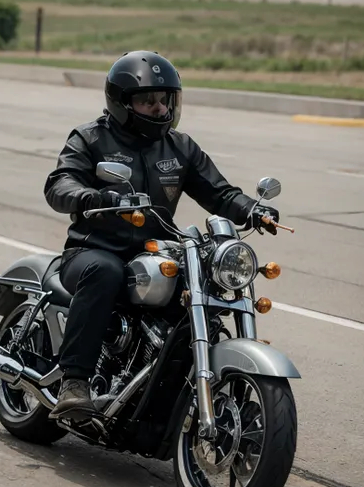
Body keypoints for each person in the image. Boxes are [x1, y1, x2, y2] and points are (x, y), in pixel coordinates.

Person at [44, 51, 279, 420]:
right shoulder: (91, 138)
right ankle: (75, 381)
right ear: (122, 103)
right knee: (106, 273)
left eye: (164, 99)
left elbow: (219, 192)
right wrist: (90, 196)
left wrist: (253, 209)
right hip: (94, 250)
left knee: (198, 287)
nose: (158, 108)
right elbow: (59, 184)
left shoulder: (179, 146)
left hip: (155, 253)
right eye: (147, 100)